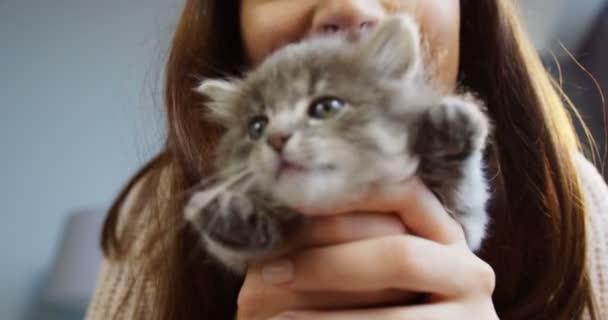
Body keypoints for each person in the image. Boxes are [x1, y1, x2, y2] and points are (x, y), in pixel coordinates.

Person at [85, 1, 608, 319]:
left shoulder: (579, 204)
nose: (351, 5)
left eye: (326, 106)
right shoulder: (156, 211)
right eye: (261, 124)